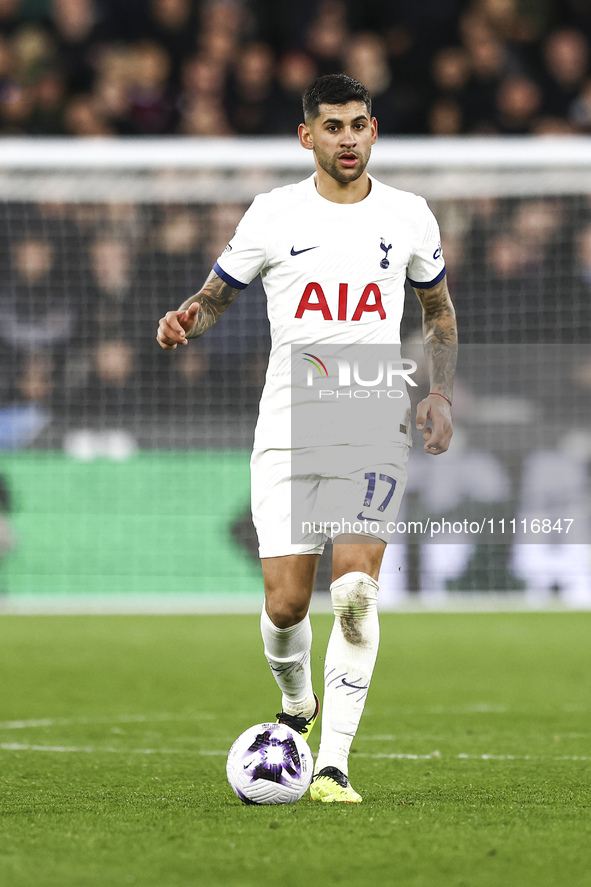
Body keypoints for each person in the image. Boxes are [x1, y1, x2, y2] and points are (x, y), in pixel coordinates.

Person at [157, 74, 457, 803]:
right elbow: (218, 292)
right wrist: (188, 315)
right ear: (307, 136)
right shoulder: (272, 214)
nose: (347, 138)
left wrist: (438, 391)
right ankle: (297, 704)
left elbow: (437, 312)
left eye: (358, 124)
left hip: (370, 416)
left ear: (373, 130)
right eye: (332, 127)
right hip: (289, 421)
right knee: (287, 603)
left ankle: (331, 764)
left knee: (353, 590)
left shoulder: (410, 215)